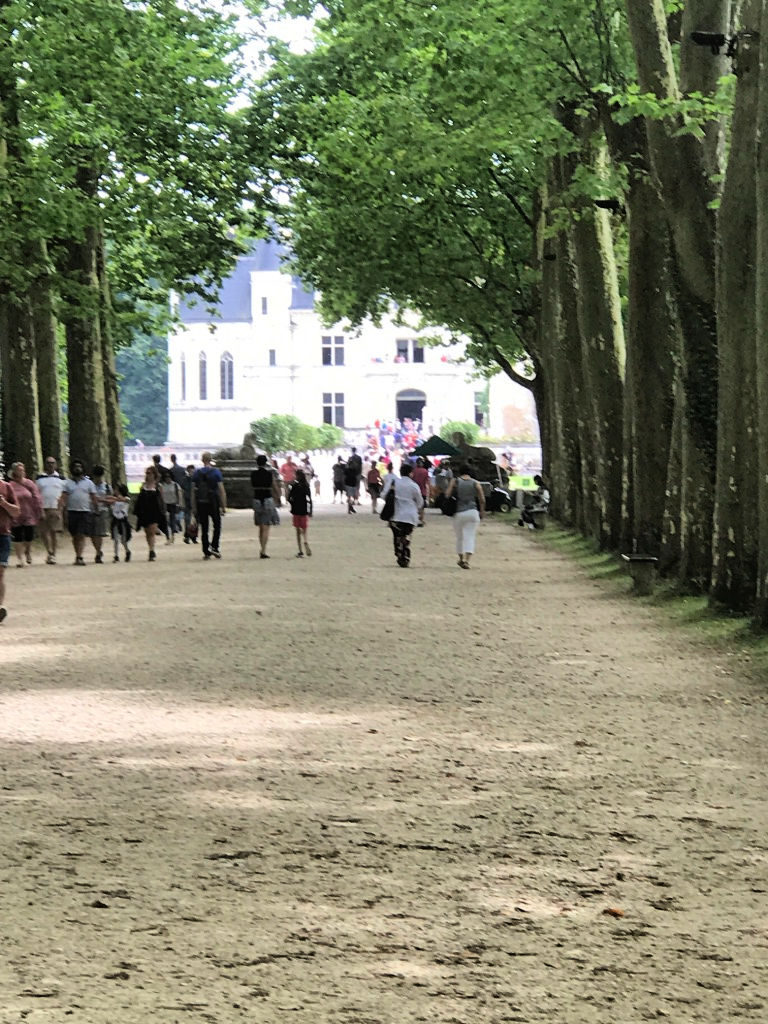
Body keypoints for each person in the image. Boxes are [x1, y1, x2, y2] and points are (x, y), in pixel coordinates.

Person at [381, 462, 424, 568]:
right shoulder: (414, 486)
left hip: (396, 515)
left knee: (397, 535)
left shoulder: (394, 482)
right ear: (411, 473)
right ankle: (405, 552)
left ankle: (399, 552)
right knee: (407, 534)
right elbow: (420, 502)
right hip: (410, 515)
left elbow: (383, 495)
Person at [444, 463, 485, 568]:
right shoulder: (476, 483)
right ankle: (467, 560)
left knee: (460, 537)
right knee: (470, 536)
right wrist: (482, 511)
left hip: (459, 512)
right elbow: (482, 499)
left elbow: (447, 494)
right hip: (473, 512)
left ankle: (461, 558)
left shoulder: (455, 481)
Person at [59, 460, 98, 566]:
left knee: (81, 535)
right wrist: (61, 510)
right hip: (72, 512)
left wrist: (96, 509)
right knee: (75, 535)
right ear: (72, 469)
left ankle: (79, 556)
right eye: (75, 466)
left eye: (80, 466)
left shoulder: (89, 483)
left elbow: (93, 497)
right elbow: (63, 498)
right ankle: (77, 554)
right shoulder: (67, 483)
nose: (78, 468)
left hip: (85, 512)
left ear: (83, 469)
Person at [192, 452, 226, 560]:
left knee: (204, 527)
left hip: (201, 502)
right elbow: (221, 490)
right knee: (217, 525)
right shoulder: (216, 472)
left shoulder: (197, 473)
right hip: (213, 501)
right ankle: (215, 547)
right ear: (211, 459)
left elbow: (193, 491)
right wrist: (223, 506)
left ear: (202, 460)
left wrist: (194, 506)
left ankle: (206, 550)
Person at [7, 463, 42, 568]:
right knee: (17, 536)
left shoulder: (30, 483)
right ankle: (19, 559)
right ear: (14, 472)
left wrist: (39, 510)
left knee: (29, 535)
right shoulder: (10, 485)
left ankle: (27, 551)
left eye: (22, 470)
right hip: (16, 514)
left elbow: (37, 496)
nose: (21, 472)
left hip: (29, 513)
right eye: (19, 470)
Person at [36, 456, 66, 564]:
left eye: (52, 463)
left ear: (56, 465)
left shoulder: (61, 479)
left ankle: (53, 553)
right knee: (44, 532)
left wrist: (60, 509)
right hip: (43, 508)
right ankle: (49, 551)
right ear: (45, 464)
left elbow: (64, 495)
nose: (50, 465)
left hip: (55, 508)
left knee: (54, 532)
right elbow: (36, 494)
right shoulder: (39, 478)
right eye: (48, 463)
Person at [251, 453, 280, 559]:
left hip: (257, 499)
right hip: (267, 499)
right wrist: (278, 497)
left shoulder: (253, 474)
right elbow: (275, 487)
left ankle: (262, 547)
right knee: (266, 526)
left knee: (260, 526)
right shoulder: (269, 474)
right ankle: (263, 550)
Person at [134, 466, 165, 561]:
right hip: (145, 511)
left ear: (154, 475)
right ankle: (150, 548)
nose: (148, 475)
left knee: (152, 531)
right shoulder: (143, 486)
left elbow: (161, 500)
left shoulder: (158, 487)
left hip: (154, 511)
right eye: (147, 473)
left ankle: (152, 550)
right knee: (147, 532)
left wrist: (163, 511)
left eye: (149, 473)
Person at [0, 478, 20, 622]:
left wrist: (4, 503)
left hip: (3, 535)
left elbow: (16, 512)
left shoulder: (6, 487)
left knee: (0, 573)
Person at [90, 466, 112, 564]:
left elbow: (110, 499)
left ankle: (98, 553)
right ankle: (98, 550)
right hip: (90, 510)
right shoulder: (89, 485)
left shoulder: (107, 487)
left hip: (102, 511)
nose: (98, 478)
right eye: (96, 476)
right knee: (92, 534)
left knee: (98, 533)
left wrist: (104, 501)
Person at [288, 468, 313, 557]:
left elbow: (289, 498)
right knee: (304, 529)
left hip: (296, 510)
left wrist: (292, 504)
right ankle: (305, 541)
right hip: (304, 509)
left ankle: (300, 550)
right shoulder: (306, 486)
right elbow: (309, 499)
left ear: (297, 476)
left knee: (297, 531)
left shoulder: (294, 485)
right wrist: (310, 511)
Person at [110, 483, 132, 562]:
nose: (115, 491)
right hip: (115, 520)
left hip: (123, 520)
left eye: (116, 489)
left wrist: (116, 498)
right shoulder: (113, 499)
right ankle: (116, 555)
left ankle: (127, 551)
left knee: (123, 540)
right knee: (116, 539)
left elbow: (126, 500)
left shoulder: (126, 498)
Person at [159, 469, 182, 542]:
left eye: (169, 477)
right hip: (165, 504)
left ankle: (172, 535)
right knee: (165, 522)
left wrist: (179, 503)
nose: (167, 478)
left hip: (173, 504)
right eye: (166, 477)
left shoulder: (175, 485)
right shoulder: (162, 485)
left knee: (172, 521)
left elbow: (179, 494)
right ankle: (167, 537)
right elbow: (160, 495)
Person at [411, 458, 429, 527]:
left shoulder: (413, 471)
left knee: (415, 506)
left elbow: (412, 480)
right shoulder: (425, 471)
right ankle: (421, 520)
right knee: (422, 507)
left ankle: (415, 519)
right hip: (422, 490)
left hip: (414, 490)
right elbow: (426, 482)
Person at [181, 464, 197, 543]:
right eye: (190, 471)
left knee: (196, 520)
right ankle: (187, 536)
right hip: (187, 501)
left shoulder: (197, 479)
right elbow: (182, 491)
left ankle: (193, 537)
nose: (191, 473)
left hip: (195, 502)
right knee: (187, 520)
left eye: (193, 471)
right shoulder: (185, 480)